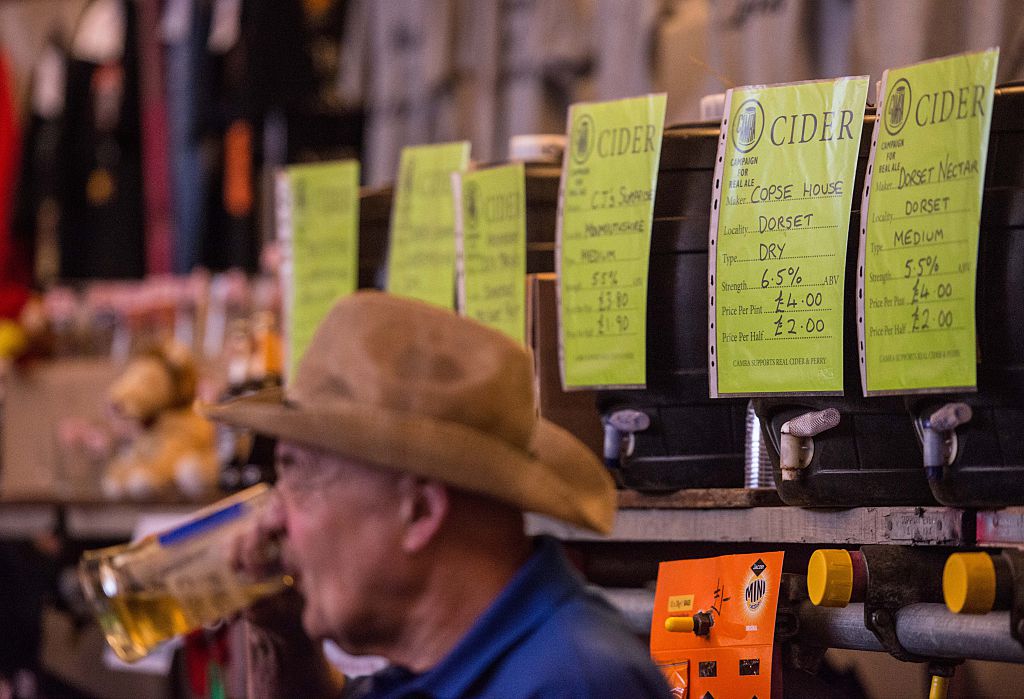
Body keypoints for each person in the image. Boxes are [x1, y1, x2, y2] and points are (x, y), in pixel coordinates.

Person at [207, 290, 670, 697]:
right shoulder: (425, 670)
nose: (271, 520)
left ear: (421, 510)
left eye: (300, 478)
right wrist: (282, 636)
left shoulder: (571, 685)